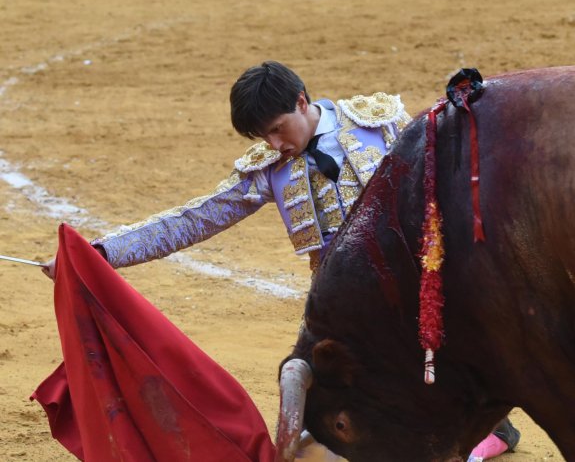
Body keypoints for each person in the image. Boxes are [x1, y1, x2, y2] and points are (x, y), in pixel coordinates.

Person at [42, 60, 519, 460]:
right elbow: (195, 218)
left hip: (418, 284)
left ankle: (493, 430)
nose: (274, 144)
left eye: (276, 129)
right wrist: (101, 252)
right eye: (262, 136)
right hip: (342, 305)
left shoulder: (380, 123)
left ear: (302, 102)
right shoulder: (268, 170)